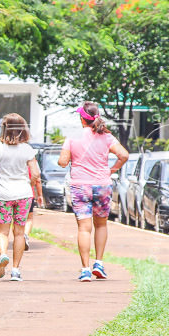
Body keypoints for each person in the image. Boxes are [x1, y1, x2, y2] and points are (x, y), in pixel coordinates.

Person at [58, 102, 129, 282]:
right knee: (101, 225)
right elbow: (124, 155)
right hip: (102, 185)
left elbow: (63, 162)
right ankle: (99, 263)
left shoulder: (73, 137)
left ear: (82, 118)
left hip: (80, 185)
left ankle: (85, 269)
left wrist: (66, 158)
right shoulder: (106, 137)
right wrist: (111, 170)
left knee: (84, 228)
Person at [0, 113, 43, 281]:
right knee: (19, 233)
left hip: (3, 194)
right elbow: (36, 173)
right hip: (23, 194)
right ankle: (16, 271)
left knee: (2, 232)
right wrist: (29, 185)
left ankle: (3, 255)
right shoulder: (27, 149)